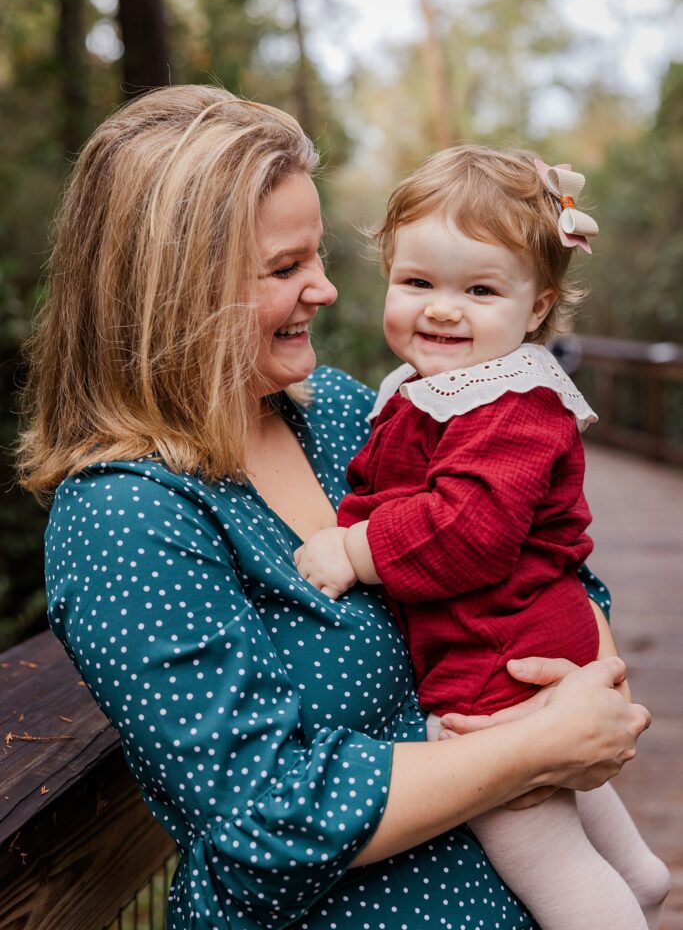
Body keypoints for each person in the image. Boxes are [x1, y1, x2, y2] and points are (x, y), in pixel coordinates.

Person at [18, 86, 652, 930]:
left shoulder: (345, 414)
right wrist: (541, 744)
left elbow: (541, 553)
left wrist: (590, 686)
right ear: (173, 292)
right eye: (285, 269)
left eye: (315, 257)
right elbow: (269, 811)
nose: (324, 289)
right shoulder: (126, 521)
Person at [294, 146, 670, 930]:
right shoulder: (436, 390)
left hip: (492, 657)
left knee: (546, 856)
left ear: (537, 307)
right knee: (589, 836)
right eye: (417, 282)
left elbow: (469, 531)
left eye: (479, 290)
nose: (441, 309)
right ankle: (636, 878)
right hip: (522, 631)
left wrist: (355, 551)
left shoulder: (509, 403)